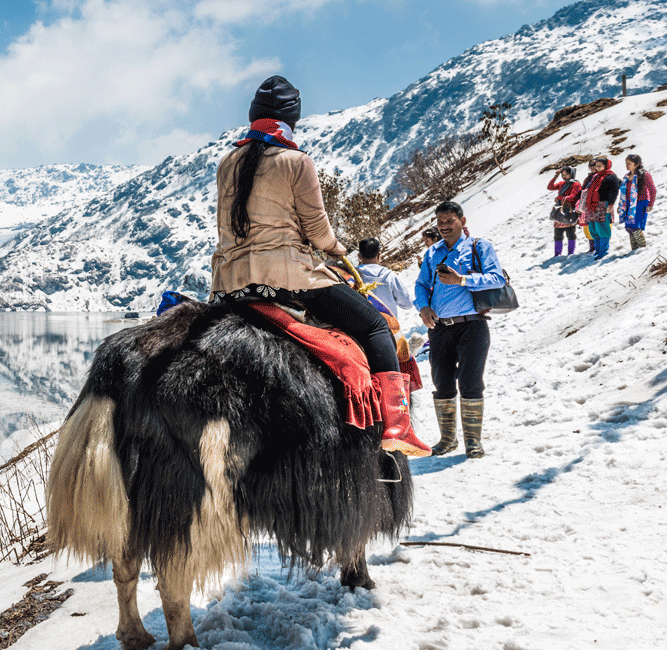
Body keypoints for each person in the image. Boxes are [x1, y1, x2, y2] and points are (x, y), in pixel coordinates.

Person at [209, 75, 429, 457]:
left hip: (231, 282)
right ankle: (397, 425)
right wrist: (337, 249)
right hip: (290, 279)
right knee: (375, 324)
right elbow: (317, 232)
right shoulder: (297, 162)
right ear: (290, 119)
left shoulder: (228, 161)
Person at [414, 201, 506, 458]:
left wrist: (463, 279)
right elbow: (421, 284)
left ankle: (473, 442)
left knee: (470, 382)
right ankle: (447, 440)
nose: (444, 227)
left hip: (472, 325)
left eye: (449, 222)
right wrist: (423, 308)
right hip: (440, 327)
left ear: (462, 222)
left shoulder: (479, 246)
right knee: (441, 382)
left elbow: (496, 278)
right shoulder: (433, 253)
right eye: (440, 223)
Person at [356, 238, 413, 317]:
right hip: (390, 326)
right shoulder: (389, 276)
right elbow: (407, 303)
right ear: (379, 255)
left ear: (359, 256)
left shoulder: (352, 277)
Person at [579, 157, 621, 260]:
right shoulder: (595, 177)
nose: (597, 168)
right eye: (596, 166)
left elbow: (614, 191)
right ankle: (597, 251)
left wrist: (611, 204)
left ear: (606, 166)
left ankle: (603, 251)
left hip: (603, 205)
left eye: (599, 166)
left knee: (602, 228)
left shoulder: (611, 177)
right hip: (591, 206)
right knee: (594, 229)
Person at [618, 154, 656, 250]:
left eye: (629, 163)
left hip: (640, 202)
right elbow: (623, 192)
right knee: (629, 227)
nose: (627, 166)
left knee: (635, 226)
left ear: (636, 164)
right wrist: (620, 205)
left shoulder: (644, 175)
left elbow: (652, 190)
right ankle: (634, 249)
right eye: (626, 163)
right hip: (628, 204)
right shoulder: (627, 176)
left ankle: (642, 248)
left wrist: (651, 204)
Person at [547, 166, 581, 256]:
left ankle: (571, 253)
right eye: (563, 174)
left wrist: (559, 197)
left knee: (571, 233)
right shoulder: (562, 183)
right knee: (557, 234)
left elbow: (573, 197)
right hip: (560, 211)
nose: (564, 176)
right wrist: (555, 176)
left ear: (572, 174)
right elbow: (550, 187)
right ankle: (557, 254)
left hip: (569, 211)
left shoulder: (576, 184)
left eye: (567, 174)